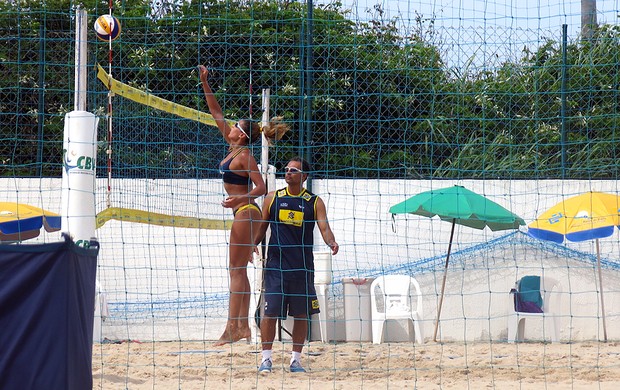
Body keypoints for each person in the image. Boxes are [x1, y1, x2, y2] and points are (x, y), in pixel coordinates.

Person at [198, 65, 289, 345]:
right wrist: (204, 82)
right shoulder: (232, 146)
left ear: (242, 134)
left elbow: (261, 187)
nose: (232, 126)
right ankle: (243, 328)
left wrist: (241, 197)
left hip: (247, 211)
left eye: (236, 125)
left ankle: (231, 329)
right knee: (241, 272)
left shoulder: (245, 155)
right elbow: (215, 112)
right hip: (243, 212)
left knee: (236, 271)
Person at [253, 156, 339, 373]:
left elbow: (324, 227)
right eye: (287, 169)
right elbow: (262, 226)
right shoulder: (272, 198)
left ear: (304, 177)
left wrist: (332, 242)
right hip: (276, 267)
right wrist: (251, 244)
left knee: (301, 314)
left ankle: (296, 360)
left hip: (302, 268)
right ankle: (266, 360)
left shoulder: (314, 201)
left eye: (293, 170)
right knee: (270, 312)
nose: (288, 172)